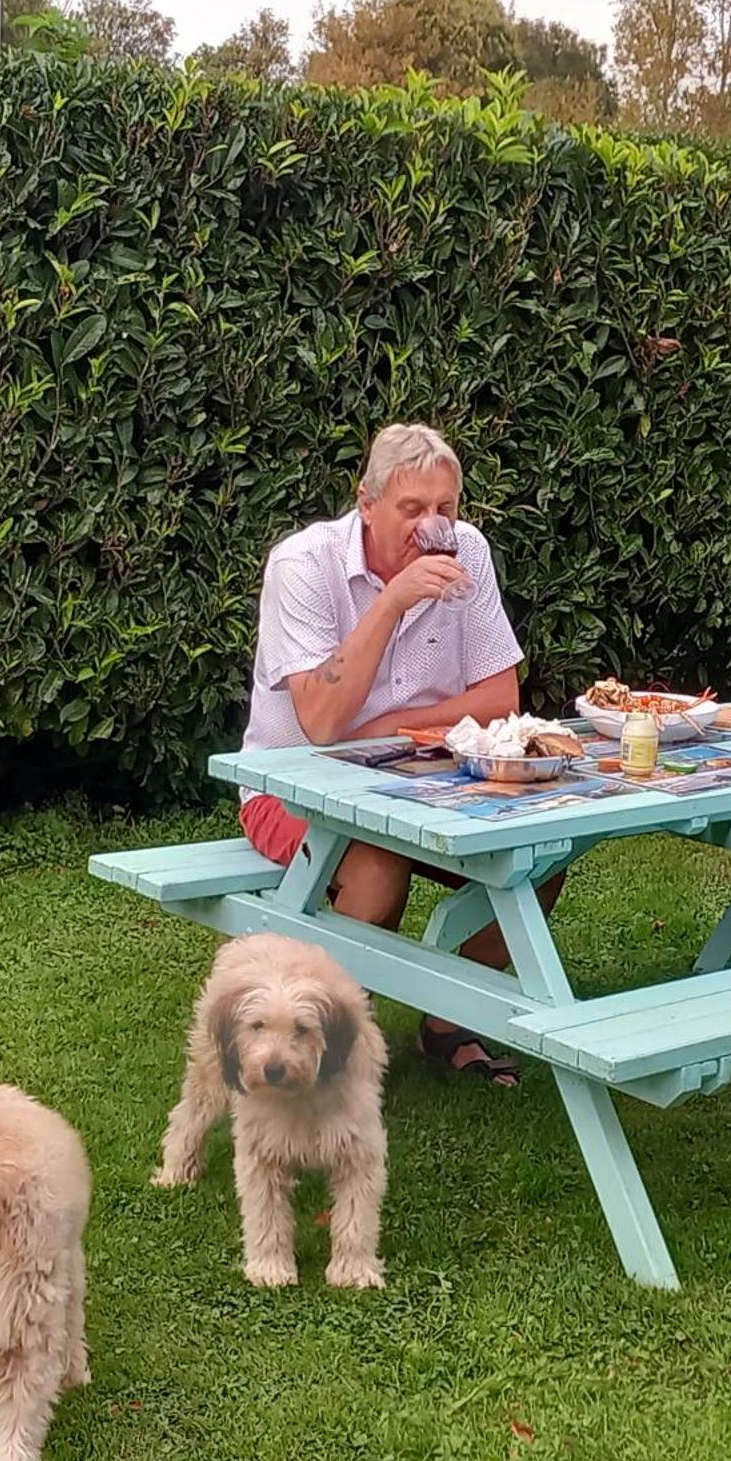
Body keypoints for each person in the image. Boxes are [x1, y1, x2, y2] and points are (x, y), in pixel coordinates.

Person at [237, 423, 562, 1087]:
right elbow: (323, 723)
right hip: (291, 782)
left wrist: (390, 726)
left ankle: (447, 1023)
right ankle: (328, 1054)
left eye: (445, 507)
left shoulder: (465, 550)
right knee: (376, 869)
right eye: (412, 509)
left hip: (425, 776)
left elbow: (500, 697)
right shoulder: (303, 565)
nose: (432, 525)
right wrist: (393, 599)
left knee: (540, 852)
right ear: (367, 502)